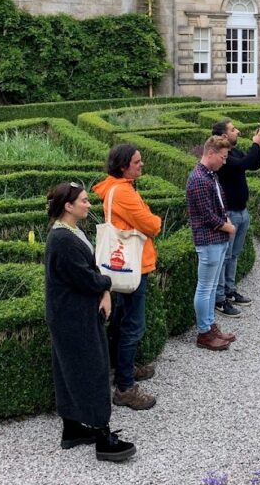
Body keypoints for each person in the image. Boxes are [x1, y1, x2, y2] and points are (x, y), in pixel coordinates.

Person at [44, 182, 135, 462]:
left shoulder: (70, 232)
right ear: (68, 206)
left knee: (71, 369)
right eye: (83, 201)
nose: (88, 204)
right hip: (73, 317)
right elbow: (85, 277)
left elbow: (89, 270)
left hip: (73, 312)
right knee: (92, 370)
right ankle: (102, 436)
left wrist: (103, 291)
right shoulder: (62, 239)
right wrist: (107, 284)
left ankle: (73, 428)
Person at [92, 144, 162, 411]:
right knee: (133, 325)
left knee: (122, 320)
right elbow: (152, 225)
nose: (141, 164)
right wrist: (153, 218)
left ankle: (123, 368)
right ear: (123, 166)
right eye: (136, 162)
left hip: (124, 266)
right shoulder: (123, 191)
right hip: (134, 267)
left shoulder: (114, 187)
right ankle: (125, 387)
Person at [187, 135, 237, 351]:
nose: (224, 162)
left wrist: (226, 223)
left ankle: (209, 326)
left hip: (216, 239)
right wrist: (228, 227)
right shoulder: (199, 179)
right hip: (209, 240)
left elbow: (217, 206)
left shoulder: (209, 175)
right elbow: (206, 215)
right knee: (205, 287)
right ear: (210, 153)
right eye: (223, 157)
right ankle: (204, 332)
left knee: (210, 286)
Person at [212, 119, 260, 317]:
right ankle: (219, 298)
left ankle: (230, 290)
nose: (238, 131)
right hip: (230, 214)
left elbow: (254, 164)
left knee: (233, 255)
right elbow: (244, 163)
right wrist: (255, 144)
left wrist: (259, 148)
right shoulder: (223, 158)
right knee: (225, 257)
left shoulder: (234, 152)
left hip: (242, 212)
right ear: (224, 136)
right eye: (233, 129)